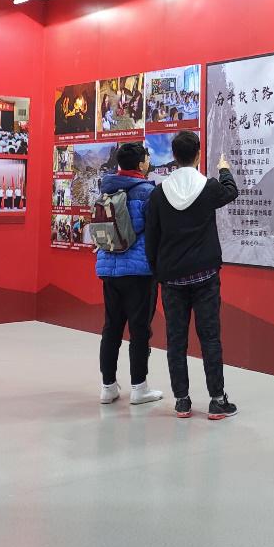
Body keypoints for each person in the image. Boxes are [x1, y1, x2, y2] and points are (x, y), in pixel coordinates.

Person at [144, 130, 240, 420]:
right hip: (205, 277)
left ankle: (182, 401)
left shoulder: (159, 193)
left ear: (174, 156)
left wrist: (158, 271)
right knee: (210, 337)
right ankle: (217, 400)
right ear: (198, 154)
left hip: (172, 279)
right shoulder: (208, 188)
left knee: (176, 340)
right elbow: (231, 191)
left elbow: (152, 238)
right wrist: (224, 170)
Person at [95, 142, 164, 406]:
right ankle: (139, 387)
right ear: (141, 164)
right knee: (139, 329)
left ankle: (107, 387)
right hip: (138, 271)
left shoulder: (106, 188)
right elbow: (155, 230)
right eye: (146, 158)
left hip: (109, 268)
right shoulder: (147, 192)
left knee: (111, 327)